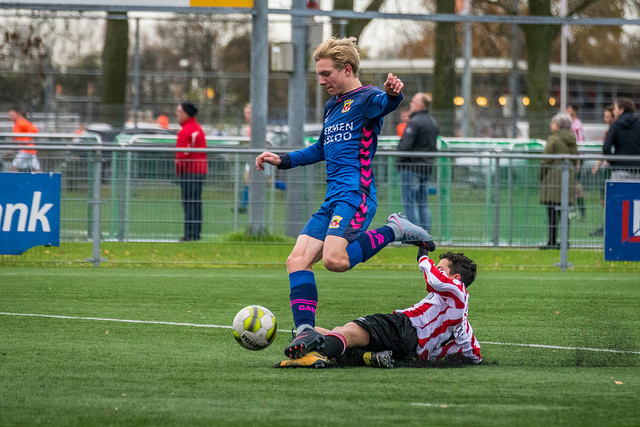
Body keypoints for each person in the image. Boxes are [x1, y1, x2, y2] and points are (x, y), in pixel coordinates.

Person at [255, 37, 433, 359]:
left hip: (356, 194)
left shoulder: (368, 98)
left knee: (334, 260)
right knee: (297, 260)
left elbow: (387, 103)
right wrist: (283, 159)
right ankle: (306, 331)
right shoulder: (332, 106)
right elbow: (321, 149)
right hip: (333, 198)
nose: (321, 81)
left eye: (326, 74)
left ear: (347, 69)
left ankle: (394, 229)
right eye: (319, 74)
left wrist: (394, 94)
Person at [275, 248, 482, 369]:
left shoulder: (457, 289)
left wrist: (423, 255)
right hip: (410, 348)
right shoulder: (457, 310)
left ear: (456, 277)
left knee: (351, 331)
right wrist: (475, 359)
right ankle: (367, 356)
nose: (436, 270)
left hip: (405, 327)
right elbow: (471, 347)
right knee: (340, 332)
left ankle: (318, 354)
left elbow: (435, 280)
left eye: (441, 268)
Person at [396, 92, 438, 232]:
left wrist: (399, 161)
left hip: (411, 167)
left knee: (409, 202)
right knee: (423, 203)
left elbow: (405, 146)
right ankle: (425, 234)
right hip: (426, 167)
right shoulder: (432, 122)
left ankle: (413, 234)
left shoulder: (414, 122)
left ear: (421, 105)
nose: (411, 104)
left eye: (413, 102)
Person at [539, 113, 578, 250]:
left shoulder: (553, 139)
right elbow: (575, 158)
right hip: (567, 179)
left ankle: (552, 241)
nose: (551, 125)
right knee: (564, 212)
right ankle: (564, 241)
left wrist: (541, 175)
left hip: (553, 180)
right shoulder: (572, 139)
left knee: (551, 212)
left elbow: (546, 159)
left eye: (553, 123)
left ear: (558, 126)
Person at [175, 101, 207, 242]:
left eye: (179, 111)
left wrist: (178, 171)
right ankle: (195, 234)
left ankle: (189, 235)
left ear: (186, 113)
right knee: (195, 203)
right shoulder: (197, 128)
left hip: (190, 171)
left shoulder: (186, 131)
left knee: (189, 203)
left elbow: (181, 155)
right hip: (199, 171)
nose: (177, 114)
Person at [589, 105, 614, 237]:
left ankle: (608, 226)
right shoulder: (608, 131)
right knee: (604, 199)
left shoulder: (614, 131)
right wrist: (598, 164)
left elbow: (606, 150)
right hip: (608, 168)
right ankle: (606, 225)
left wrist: (598, 164)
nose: (604, 118)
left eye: (607, 116)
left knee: (608, 198)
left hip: (612, 168)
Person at [602, 97, 640, 181]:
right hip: (637, 169)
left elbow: (606, 147)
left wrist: (613, 161)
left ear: (621, 110)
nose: (613, 112)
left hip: (619, 169)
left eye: (615, 109)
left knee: (618, 189)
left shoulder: (615, 125)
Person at [565, 104, 586, 219]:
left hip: (576, 159)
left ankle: (581, 212)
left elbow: (580, 145)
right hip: (571, 158)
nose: (566, 111)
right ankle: (572, 210)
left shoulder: (577, 126)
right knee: (570, 185)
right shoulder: (570, 125)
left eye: (568, 110)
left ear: (574, 111)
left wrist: (578, 161)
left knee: (577, 186)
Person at [9, 108, 41, 172]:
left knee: (14, 166)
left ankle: (13, 179)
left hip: (26, 149)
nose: (10, 117)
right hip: (28, 149)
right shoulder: (16, 124)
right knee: (36, 168)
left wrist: (27, 139)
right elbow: (15, 137)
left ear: (18, 115)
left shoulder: (21, 122)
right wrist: (11, 149)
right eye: (10, 115)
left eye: (12, 115)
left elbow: (34, 129)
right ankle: (43, 178)